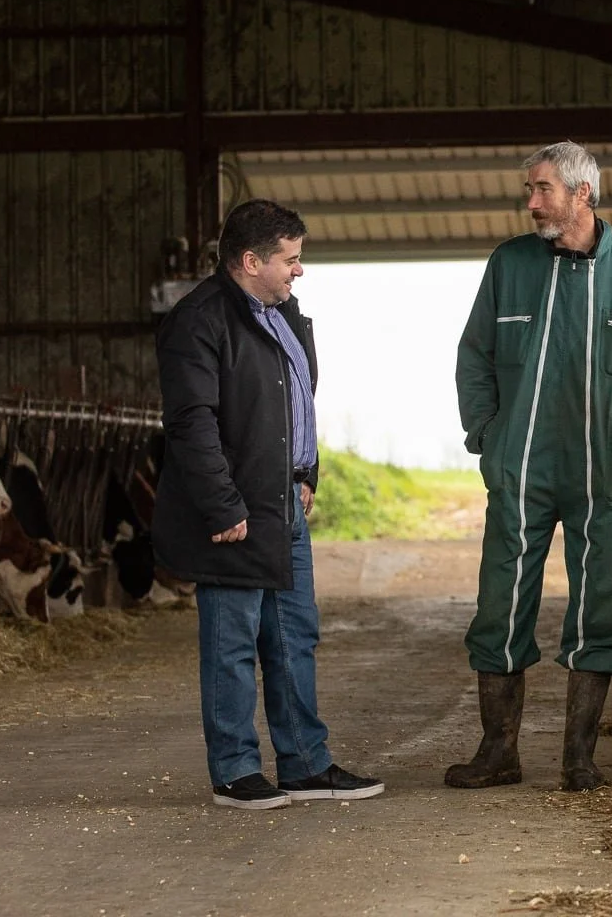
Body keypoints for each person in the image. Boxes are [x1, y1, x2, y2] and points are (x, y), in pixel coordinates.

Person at [447, 141, 612, 791]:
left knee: (603, 609)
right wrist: (487, 436)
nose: (531, 202)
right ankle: (497, 753)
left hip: (602, 475)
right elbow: (474, 355)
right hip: (521, 470)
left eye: (543, 189)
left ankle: (579, 760)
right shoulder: (510, 266)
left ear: (582, 193)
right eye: (530, 190)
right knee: (500, 607)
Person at [153, 198, 384, 810]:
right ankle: (234, 771)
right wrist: (221, 506)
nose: (299, 271)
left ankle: (305, 765)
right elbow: (190, 423)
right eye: (291, 259)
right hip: (235, 512)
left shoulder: (284, 315)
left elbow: (296, 402)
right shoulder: (198, 321)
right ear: (250, 260)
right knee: (232, 642)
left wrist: (306, 471)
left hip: (283, 503)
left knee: (293, 636)